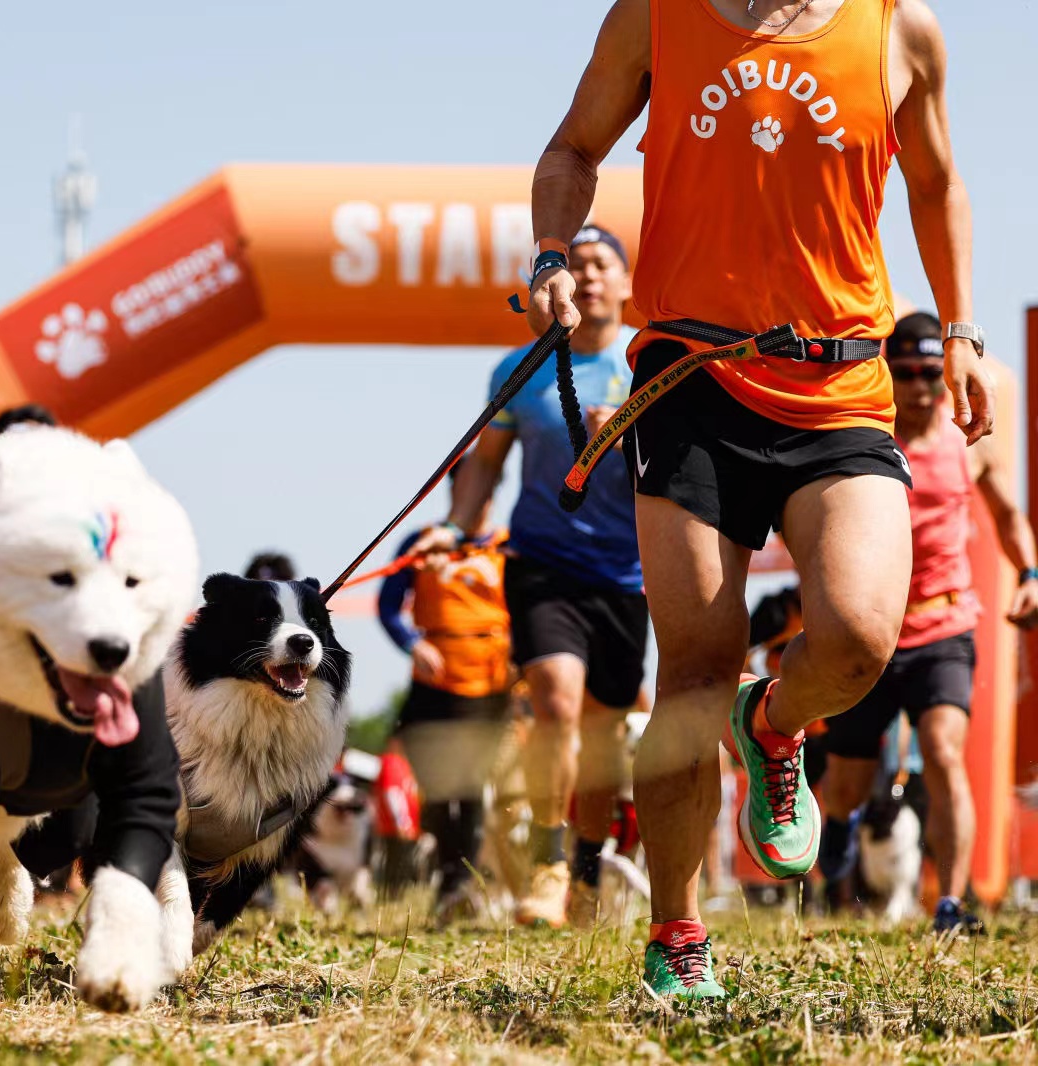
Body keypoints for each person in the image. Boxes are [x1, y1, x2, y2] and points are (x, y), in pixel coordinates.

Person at [518, 0, 993, 998]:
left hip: (839, 386)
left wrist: (958, 333)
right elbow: (570, 148)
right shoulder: (655, 16)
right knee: (691, 665)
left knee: (862, 637)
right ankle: (676, 936)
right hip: (691, 382)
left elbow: (937, 181)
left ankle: (773, 724)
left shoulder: (899, 30)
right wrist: (552, 252)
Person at [417, 226, 645, 929]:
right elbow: (485, 464)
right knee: (556, 703)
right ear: (559, 286)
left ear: (627, 284)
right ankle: (546, 866)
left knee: (604, 736)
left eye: (603, 264)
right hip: (542, 561)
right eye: (575, 266)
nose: (589, 276)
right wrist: (456, 528)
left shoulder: (650, 363)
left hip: (629, 573)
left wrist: (633, 429)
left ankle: (582, 872)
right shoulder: (519, 370)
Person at [819, 312, 1038, 935]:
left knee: (944, 752)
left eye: (928, 375)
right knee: (848, 784)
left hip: (945, 623)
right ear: (887, 373)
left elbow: (1008, 515)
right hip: (871, 630)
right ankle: (838, 825)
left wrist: (1029, 575)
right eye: (906, 372)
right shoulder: (862, 438)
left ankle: (952, 903)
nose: (918, 387)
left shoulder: (966, 441)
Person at [378, 474, 510, 920]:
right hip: (433, 684)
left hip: (490, 685)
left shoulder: (510, 547)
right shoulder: (422, 543)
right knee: (435, 788)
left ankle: (458, 884)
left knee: (472, 786)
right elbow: (387, 605)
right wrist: (413, 643)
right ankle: (449, 875)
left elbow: (532, 609)